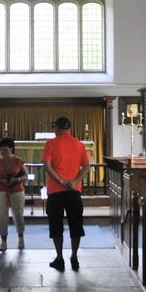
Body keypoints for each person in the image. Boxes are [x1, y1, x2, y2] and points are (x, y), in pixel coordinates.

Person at [42, 116, 90, 271]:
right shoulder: (79, 144)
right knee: (76, 223)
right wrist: (75, 181)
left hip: (56, 190)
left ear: (57, 128)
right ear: (69, 129)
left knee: (56, 224)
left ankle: (60, 257)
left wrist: (61, 181)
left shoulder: (50, 144)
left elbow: (47, 166)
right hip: (74, 190)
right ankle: (74, 257)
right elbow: (86, 166)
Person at [0, 137, 28, 251]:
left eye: (5, 149)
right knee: (2, 216)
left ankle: (21, 238)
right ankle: (3, 241)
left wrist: (16, 180)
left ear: (11, 149)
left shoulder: (18, 161)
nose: (3, 152)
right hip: (1, 190)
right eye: (1, 150)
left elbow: (26, 176)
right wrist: (1, 181)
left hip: (16, 190)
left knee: (18, 215)